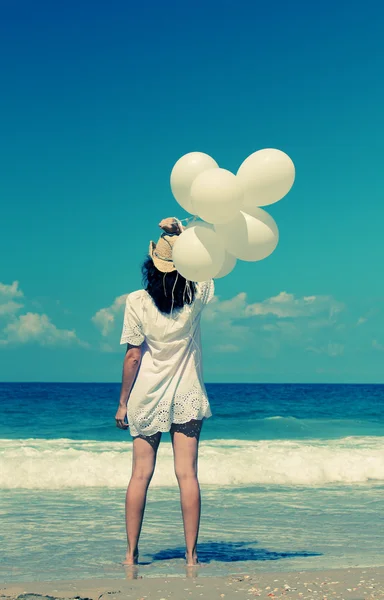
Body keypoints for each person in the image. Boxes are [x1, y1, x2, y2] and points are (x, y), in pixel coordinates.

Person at [114, 216, 214, 568]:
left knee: (140, 475)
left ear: (150, 264)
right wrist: (185, 235)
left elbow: (133, 355)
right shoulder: (196, 295)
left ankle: (130, 555)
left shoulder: (137, 301)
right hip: (186, 394)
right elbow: (206, 266)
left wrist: (123, 403)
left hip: (146, 396)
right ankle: (191, 556)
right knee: (187, 475)